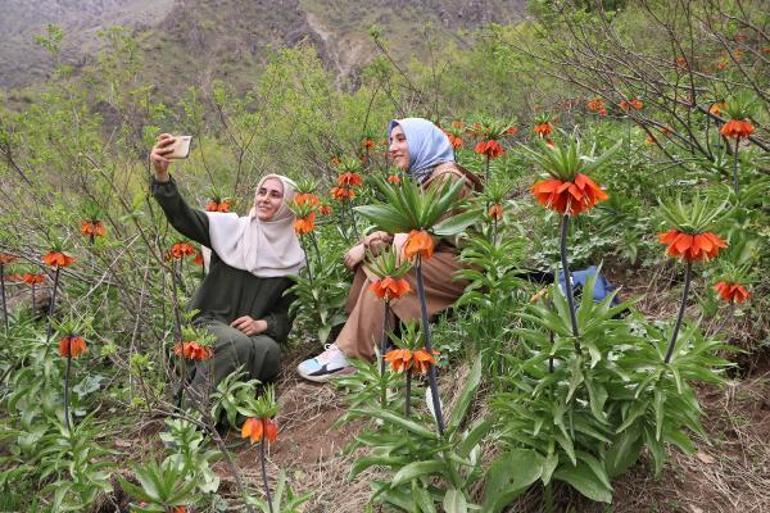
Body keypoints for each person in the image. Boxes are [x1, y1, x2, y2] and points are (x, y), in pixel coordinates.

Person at [297, 118, 479, 382]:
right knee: (379, 258)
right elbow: (418, 229)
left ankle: (352, 354)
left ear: (422, 141)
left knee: (388, 271)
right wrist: (375, 241)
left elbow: (426, 237)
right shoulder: (428, 177)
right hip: (445, 259)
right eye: (391, 140)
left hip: (464, 266)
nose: (392, 147)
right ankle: (366, 339)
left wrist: (381, 243)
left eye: (401, 139)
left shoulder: (447, 177)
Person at [149, 133, 304, 399]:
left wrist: (261, 325)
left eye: (276, 195)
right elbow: (183, 217)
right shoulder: (231, 229)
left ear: (289, 204)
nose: (265, 199)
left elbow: (284, 314)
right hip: (206, 321)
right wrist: (162, 177)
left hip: (247, 331)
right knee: (236, 344)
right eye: (262, 192)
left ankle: (229, 412)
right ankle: (192, 418)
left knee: (268, 351)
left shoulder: (294, 256)